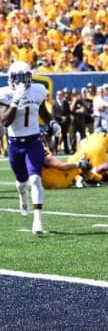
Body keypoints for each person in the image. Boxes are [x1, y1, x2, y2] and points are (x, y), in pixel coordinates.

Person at [0, 61, 62, 234]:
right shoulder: (5, 93)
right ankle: (22, 195)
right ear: (11, 78)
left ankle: (38, 221)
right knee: (21, 182)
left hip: (34, 140)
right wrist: (15, 101)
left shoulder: (38, 90)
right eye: (17, 78)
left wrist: (52, 122)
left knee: (35, 179)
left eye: (23, 78)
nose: (20, 82)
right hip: (15, 143)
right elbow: (5, 121)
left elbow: (41, 110)